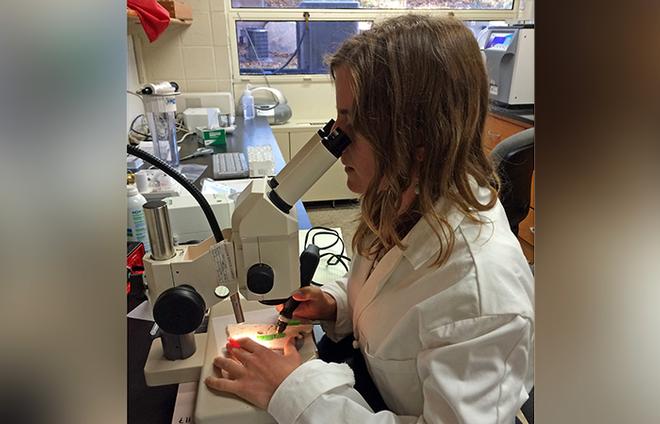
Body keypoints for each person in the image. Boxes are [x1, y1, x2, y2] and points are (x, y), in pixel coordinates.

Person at [205, 14, 534, 423]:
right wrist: (334, 304)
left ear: (417, 137)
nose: (337, 143)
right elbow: (389, 290)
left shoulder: (482, 295)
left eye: (351, 123)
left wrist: (294, 391)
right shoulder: (403, 199)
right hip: (369, 384)